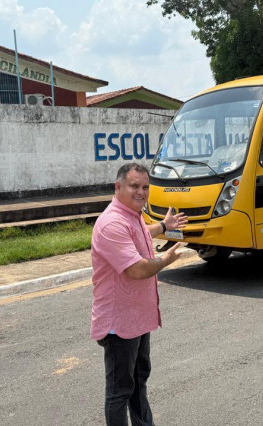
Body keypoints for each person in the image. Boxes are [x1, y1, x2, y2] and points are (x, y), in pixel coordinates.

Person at [91, 162, 188, 426]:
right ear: (118, 186)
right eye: (134, 186)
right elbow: (136, 269)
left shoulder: (131, 216)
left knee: (138, 381)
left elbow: (143, 233)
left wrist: (164, 226)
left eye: (145, 187)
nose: (141, 192)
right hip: (119, 324)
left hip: (137, 319)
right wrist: (165, 259)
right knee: (120, 391)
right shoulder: (112, 223)